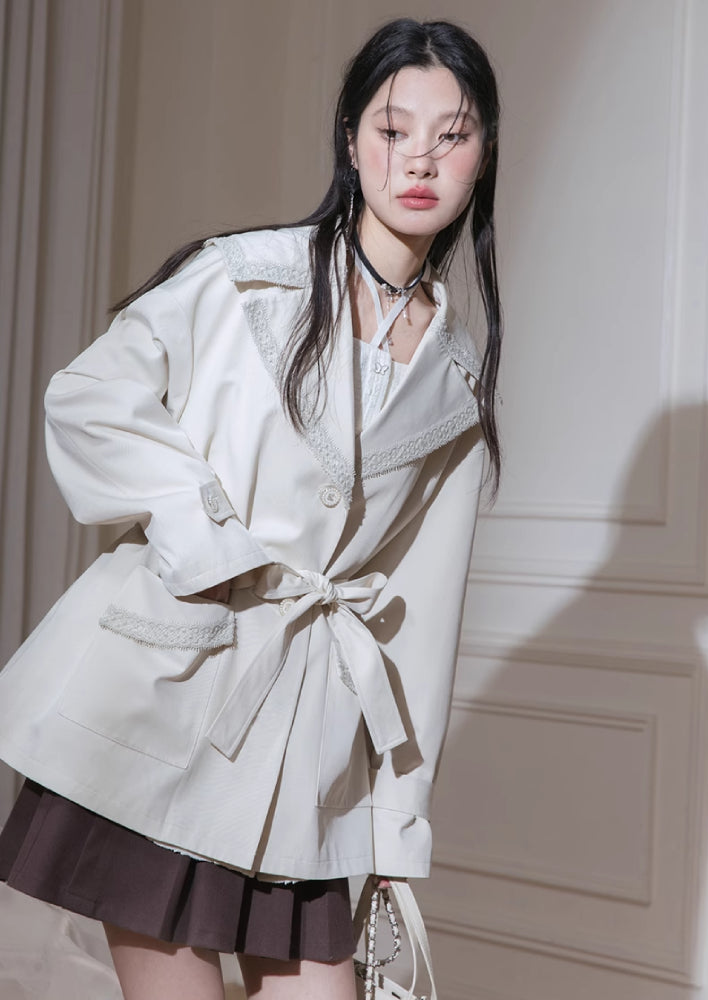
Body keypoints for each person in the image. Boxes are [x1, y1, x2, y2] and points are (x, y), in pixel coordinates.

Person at [0, 16, 501, 1000]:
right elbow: (89, 399)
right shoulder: (246, 278)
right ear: (351, 140)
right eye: (394, 129)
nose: (420, 160)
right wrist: (206, 537)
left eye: (453, 135)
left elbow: (422, 614)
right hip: (169, 696)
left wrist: (397, 823)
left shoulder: (456, 377)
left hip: (303, 757)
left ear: (483, 154)